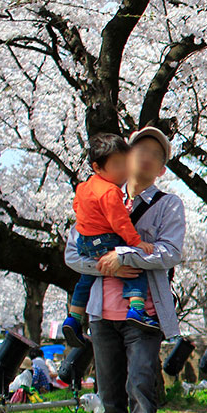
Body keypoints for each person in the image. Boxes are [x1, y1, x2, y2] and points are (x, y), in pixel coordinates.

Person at [64, 126, 185, 413]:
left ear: (162, 168)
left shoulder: (168, 204)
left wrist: (126, 255)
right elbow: (73, 254)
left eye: (155, 153)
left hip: (144, 314)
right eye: (139, 149)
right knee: (111, 395)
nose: (145, 156)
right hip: (102, 313)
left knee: (141, 390)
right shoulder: (98, 195)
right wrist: (108, 265)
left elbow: (170, 252)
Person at [62, 134, 158, 345]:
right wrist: (135, 242)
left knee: (85, 279)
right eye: (117, 165)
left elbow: (77, 208)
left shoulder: (84, 186)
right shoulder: (110, 192)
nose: (123, 170)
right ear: (97, 167)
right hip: (105, 238)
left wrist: (89, 223)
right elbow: (120, 222)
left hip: (85, 241)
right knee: (134, 269)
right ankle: (137, 310)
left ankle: (74, 318)